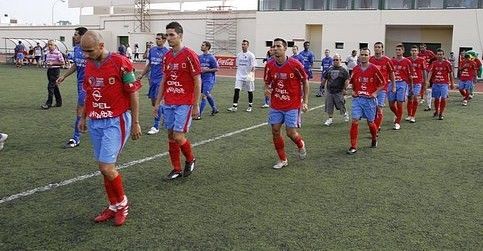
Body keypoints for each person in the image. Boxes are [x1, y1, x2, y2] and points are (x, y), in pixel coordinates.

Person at [79, 31, 142, 226]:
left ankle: (122, 204)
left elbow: (133, 94)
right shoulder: (89, 64)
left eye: (89, 51)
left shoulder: (120, 62)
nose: (86, 55)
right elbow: (88, 93)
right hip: (95, 120)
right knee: (103, 168)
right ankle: (113, 205)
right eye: (84, 51)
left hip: (116, 120)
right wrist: (83, 117)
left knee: (107, 167)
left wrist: (136, 122)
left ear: (101, 45)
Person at [153, 21, 201, 180]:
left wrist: (195, 104)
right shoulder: (167, 56)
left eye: (171, 35)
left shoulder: (190, 55)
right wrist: (158, 102)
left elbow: (197, 81)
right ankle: (176, 169)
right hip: (169, 102)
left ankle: (190, 158)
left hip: (184, 103)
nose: (168, 38)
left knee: (178, 136)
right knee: (170, 136)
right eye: (167, 35)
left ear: (180, 36)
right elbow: (164, 80)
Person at [264, 38, 308, 169]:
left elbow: (305, 81)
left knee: (290, 133)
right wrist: (267, 89)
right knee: (275, 131)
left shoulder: (295, 64)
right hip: (276, 104)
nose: (275, 48)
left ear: (285, 48)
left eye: (278, 46)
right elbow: (267, 82)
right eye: (274, 46)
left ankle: (300, 144)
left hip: (292, 105)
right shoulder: (269, 65)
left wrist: (305, 101)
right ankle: (282, 159)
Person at [347, 48, 384, 154]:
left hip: (369, 101)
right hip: (357, 99)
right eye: (362, 54)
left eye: (366, 54)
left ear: (369, 56)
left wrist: (375, 93)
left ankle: (374, 138)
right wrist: (351, 90)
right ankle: (353, 146)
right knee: (355, 120)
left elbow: (383, 83)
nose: (363, 56)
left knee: (370, 122)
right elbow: (351, 82)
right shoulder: (355, 69)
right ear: (359, 56)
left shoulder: (374, 69)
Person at [56, 27, 88, 148]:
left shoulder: (91, 50)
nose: (74, 36)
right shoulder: (77, 49)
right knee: (82, 109)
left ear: (83, 36)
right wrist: (64, 76)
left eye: (76, 34)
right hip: (80, 84)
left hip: (90, 85)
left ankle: (76, 137)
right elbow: (76, 65)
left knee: (80, 108)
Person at [137, 33, 169, 135]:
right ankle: (166, 117)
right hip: (152, 80)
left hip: (161, 80)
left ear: (164, 40)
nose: (157, 40)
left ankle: (156, 126)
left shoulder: (167, 52)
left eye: (159, 39)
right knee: (153, 102)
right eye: (156, 38)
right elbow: (149, 65)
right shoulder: (153, 50)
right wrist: (141, 74)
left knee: (157, 103)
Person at [369, 42, 395, 131]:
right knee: (373, 108)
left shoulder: (387, 60)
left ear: (382, 49)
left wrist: (394, 86)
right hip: (372, 88)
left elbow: (391, 73)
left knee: (379, 107)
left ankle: (377, 126)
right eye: (375, 47)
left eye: (379, 47)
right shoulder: (370, 59)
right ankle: (374, 123)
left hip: (383, 88)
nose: (377, 49)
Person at [227, 40, 257, 112]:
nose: (243, 46)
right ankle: (234, 106)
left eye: (245, 44)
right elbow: (237, 65)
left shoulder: (251, 55)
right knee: (236, 90)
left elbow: (253, 67)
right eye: (242, 44)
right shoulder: (239, 55)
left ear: (248, 45)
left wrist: (251, 75)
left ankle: (250, 106)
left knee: (249, 91)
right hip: (239, 76)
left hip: (248, 76)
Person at [388, 44, 413, 130]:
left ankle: (397, 122)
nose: (398, 51)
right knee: (391, 104)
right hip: (392, 83)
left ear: (403, 51)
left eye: (399, 50)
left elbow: (410, 75)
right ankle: (397, 114)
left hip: (402, 83)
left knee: (399, 103)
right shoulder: (391, 61)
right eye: (397, 49)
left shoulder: (407, 62)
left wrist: (411, 87)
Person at [426, 48, 454, 120]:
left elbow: (450, 73)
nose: (440, 56)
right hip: (435, 83)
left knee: (443, 98)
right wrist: (428, 81)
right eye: (438, 54)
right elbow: (430, 72)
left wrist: (452, 83)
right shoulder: (434, 63)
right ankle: (436, 111)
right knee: (436, 99)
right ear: (436, 55)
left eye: (441, 54)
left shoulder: (447, 63)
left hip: (444, 84)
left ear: (443, 55)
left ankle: (441, 113)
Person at [322, 54, 349, 126]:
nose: (335, 61)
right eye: (334, 60)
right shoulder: (329, 69)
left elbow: (346, 80)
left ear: (340, 60)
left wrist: (344, 89)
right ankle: (330, 119)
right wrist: (322, 86)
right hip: (330, 91)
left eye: (337, 60)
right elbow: (325, 78)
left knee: (340, 105)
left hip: (339, 91)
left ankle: (345, 113)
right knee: (329, 105)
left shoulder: (343, 70)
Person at [195, 41, 219, 120]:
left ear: (207, 47)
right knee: (207, 95)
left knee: (204, 96)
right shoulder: (200, 57)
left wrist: (206, 70)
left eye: (203, 45)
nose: (201, 46)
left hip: (209, 79)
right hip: (201, 79)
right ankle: (214, 108)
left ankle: (199, 114)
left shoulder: (211, 57)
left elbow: (216, 68)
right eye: (201, 45)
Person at [41, 40, 65, 109]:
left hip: (55, 70)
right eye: (48, 45)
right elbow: (48, 62)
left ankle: (48, 103)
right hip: (49, 70)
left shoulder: (58, 53)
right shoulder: (48, 53)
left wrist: (53, 63)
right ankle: (59, 102)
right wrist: (46, 63)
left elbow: (62, 63)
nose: (49, 46)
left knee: (50, 87)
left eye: (51, 45)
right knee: (54, 86)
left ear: (55, 46)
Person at [406, 45, 427, 123]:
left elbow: (424, 71)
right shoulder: (407, 60)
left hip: (418, 82)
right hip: (408, 82)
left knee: (415, 97)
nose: (414, 52)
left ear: (418, 52)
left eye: (415, 51)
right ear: (410, 51)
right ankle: (409, 114)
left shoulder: (421, 60)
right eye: (412, 50)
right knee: (409, 98)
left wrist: (425, 81)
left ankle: (413, 116)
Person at [419, 43, 436, 109]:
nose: (422, 48)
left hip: (429, 70)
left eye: (423, 47)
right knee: (422, 83)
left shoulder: (430, 53)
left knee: (429, 83)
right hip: (423, 70)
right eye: (421, 47)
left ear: (426, 47)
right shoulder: (419, 54)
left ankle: (432, 97)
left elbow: (434, 59)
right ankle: (422, 97)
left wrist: (431, 66)